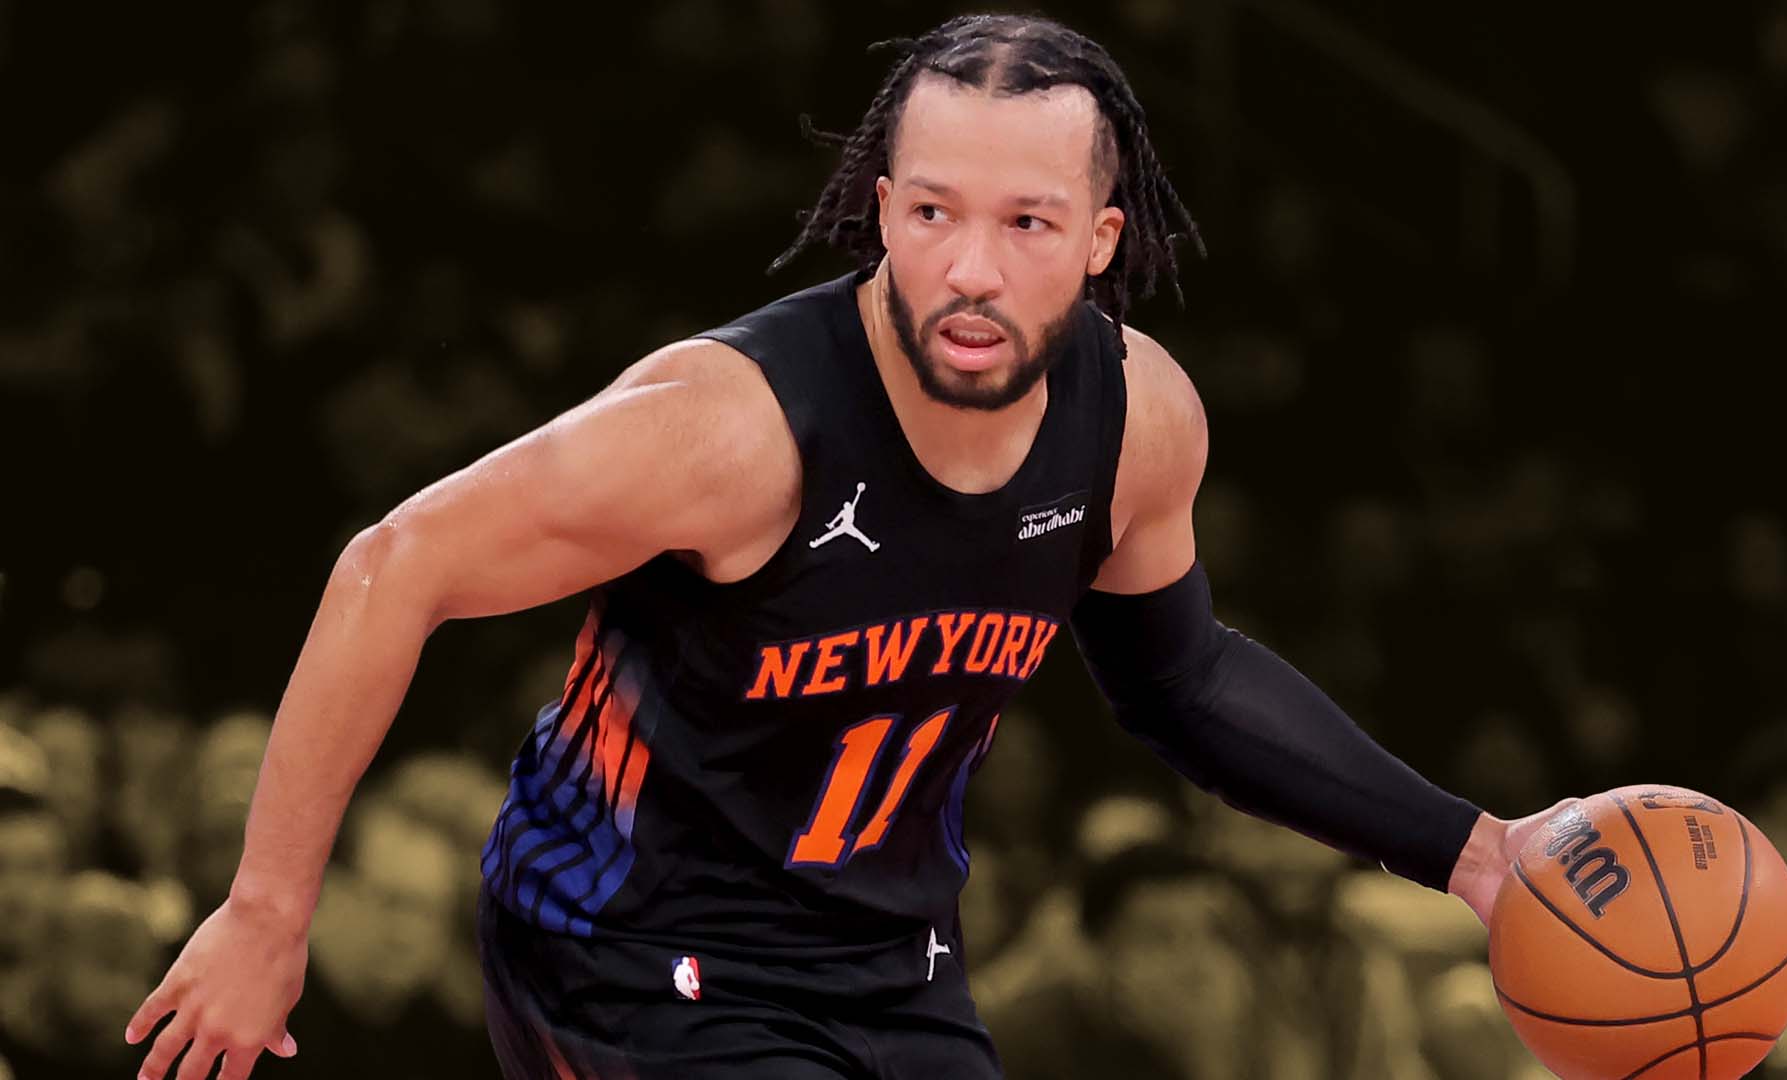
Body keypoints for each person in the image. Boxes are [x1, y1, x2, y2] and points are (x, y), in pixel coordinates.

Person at [125, 14, 1570, 1080]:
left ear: (1100, 239)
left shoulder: (1140, 422)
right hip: (629, 954)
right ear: (882, 208)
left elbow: (1185, 683)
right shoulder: (731, 427)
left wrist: (1473, 853)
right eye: (933, 212)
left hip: (890, 963)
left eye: (1028, 223)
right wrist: (266, 912)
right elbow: (394, 566)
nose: (970, 270)